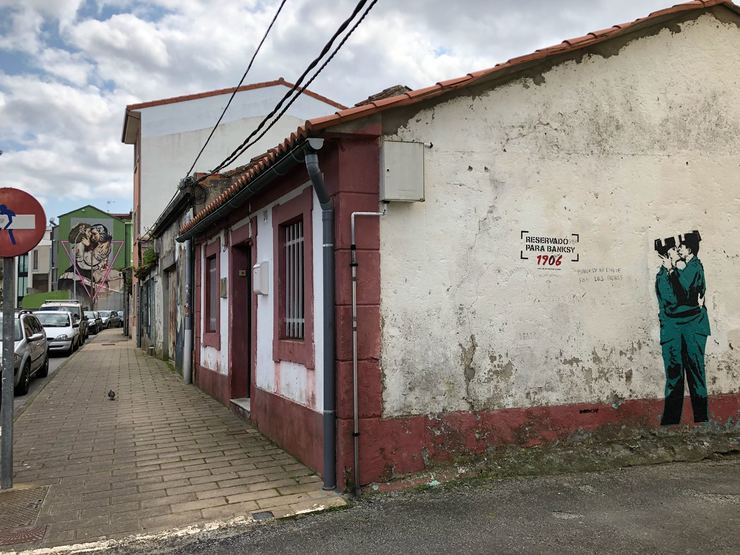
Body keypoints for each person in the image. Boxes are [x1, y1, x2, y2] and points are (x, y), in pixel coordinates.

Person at [654, 230, 710, 425]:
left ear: (689, 249)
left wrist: (672, 271)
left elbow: (684, 294)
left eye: (680, 248)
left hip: (691, 328)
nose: (677, 251)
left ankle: (701, 420)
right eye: (673, 250)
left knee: (694, 372)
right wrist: (671, 271)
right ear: (666, 255)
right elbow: (672, 301)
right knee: (675, 375)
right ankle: (671, 422)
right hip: (674, 329)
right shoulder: (665, 275)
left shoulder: (693, 268)